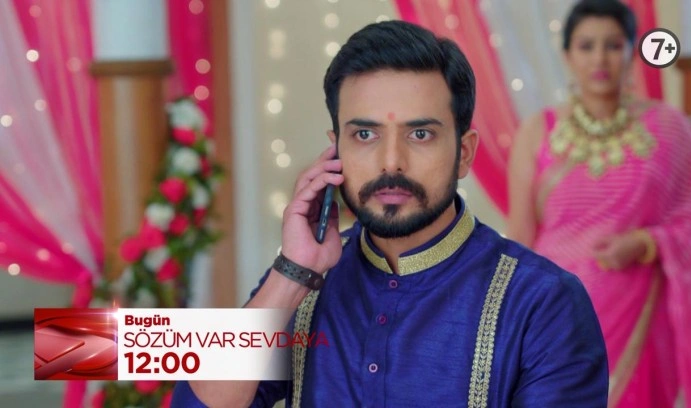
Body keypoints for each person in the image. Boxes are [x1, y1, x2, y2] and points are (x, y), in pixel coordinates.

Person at [173, 20, 608, 407]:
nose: (391, 162)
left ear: (464, 153)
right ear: (335, 151)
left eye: (420, 134)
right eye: (365, 134)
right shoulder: (302, 285)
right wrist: (291, 274)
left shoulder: (542, 303)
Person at [506, 1, 691, 407]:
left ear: (631, 51)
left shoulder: (667, 127)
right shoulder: (538, 131)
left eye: (612, 45)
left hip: (641, 313)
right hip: (558, 316)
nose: (599, 58)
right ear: (567, 54)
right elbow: (520, 238)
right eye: (586, 45)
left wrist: (644, 243)